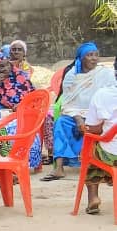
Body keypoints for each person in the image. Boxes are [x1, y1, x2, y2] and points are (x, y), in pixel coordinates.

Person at [45, 42, 117, 181]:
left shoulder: (105, 74)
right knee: (60, 123)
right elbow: (67, 102)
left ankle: (97, 164)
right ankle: (58, 168)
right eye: (90, 55)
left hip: (98, 116)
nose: (94, 58)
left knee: (100, 127)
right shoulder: (71, 76)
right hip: (75, 114)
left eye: (96, 55)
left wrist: (91, 119)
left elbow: (110, 100)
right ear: (81, 58)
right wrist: (78, 118)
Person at [81, 61, 117, 214]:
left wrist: (85, 129)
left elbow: (95, 129)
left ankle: (93, 197)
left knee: (90, 152)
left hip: (111, 154)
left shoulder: (103, 94)